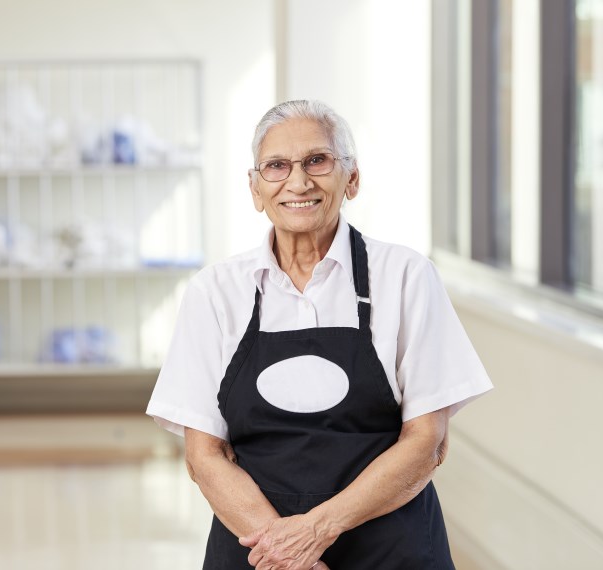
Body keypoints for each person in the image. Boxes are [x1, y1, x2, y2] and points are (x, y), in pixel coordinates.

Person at [146, 100, 493, 569]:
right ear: (255, 188)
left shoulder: (406, 277)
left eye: (317, 160)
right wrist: (288, 555)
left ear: (351, 178)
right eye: (277, 166)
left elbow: (426, 442)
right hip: (259, 550)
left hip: (388, 549)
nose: (299, 181)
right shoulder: (215, 292)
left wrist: (316, 530)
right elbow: (203, 456)